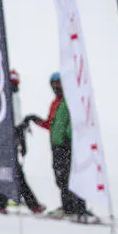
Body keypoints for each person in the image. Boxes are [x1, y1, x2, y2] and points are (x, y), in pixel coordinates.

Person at [25, 72, 88, 218]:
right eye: (53, 84)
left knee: (69, 177)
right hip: (56, 145)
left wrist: (69, 137)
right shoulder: (56, 103)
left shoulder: (70, 101)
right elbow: (51, 125)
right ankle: (68, 206)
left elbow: (76, 121)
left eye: (58, 83)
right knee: (61, 178)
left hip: (68, 145)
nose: (56, 86)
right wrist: (36, 119)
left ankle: (78, 207)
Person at [0, 70, 44, 215]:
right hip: (6, 141)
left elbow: (17, 121)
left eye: (15, 83)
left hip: (10, 141)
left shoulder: (13, 97)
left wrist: (21, 137)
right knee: (14, 173)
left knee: (12, 173)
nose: (13, 86)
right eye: (11, 83)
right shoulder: (4, 97)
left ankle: (1, 203)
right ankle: (31, 205)